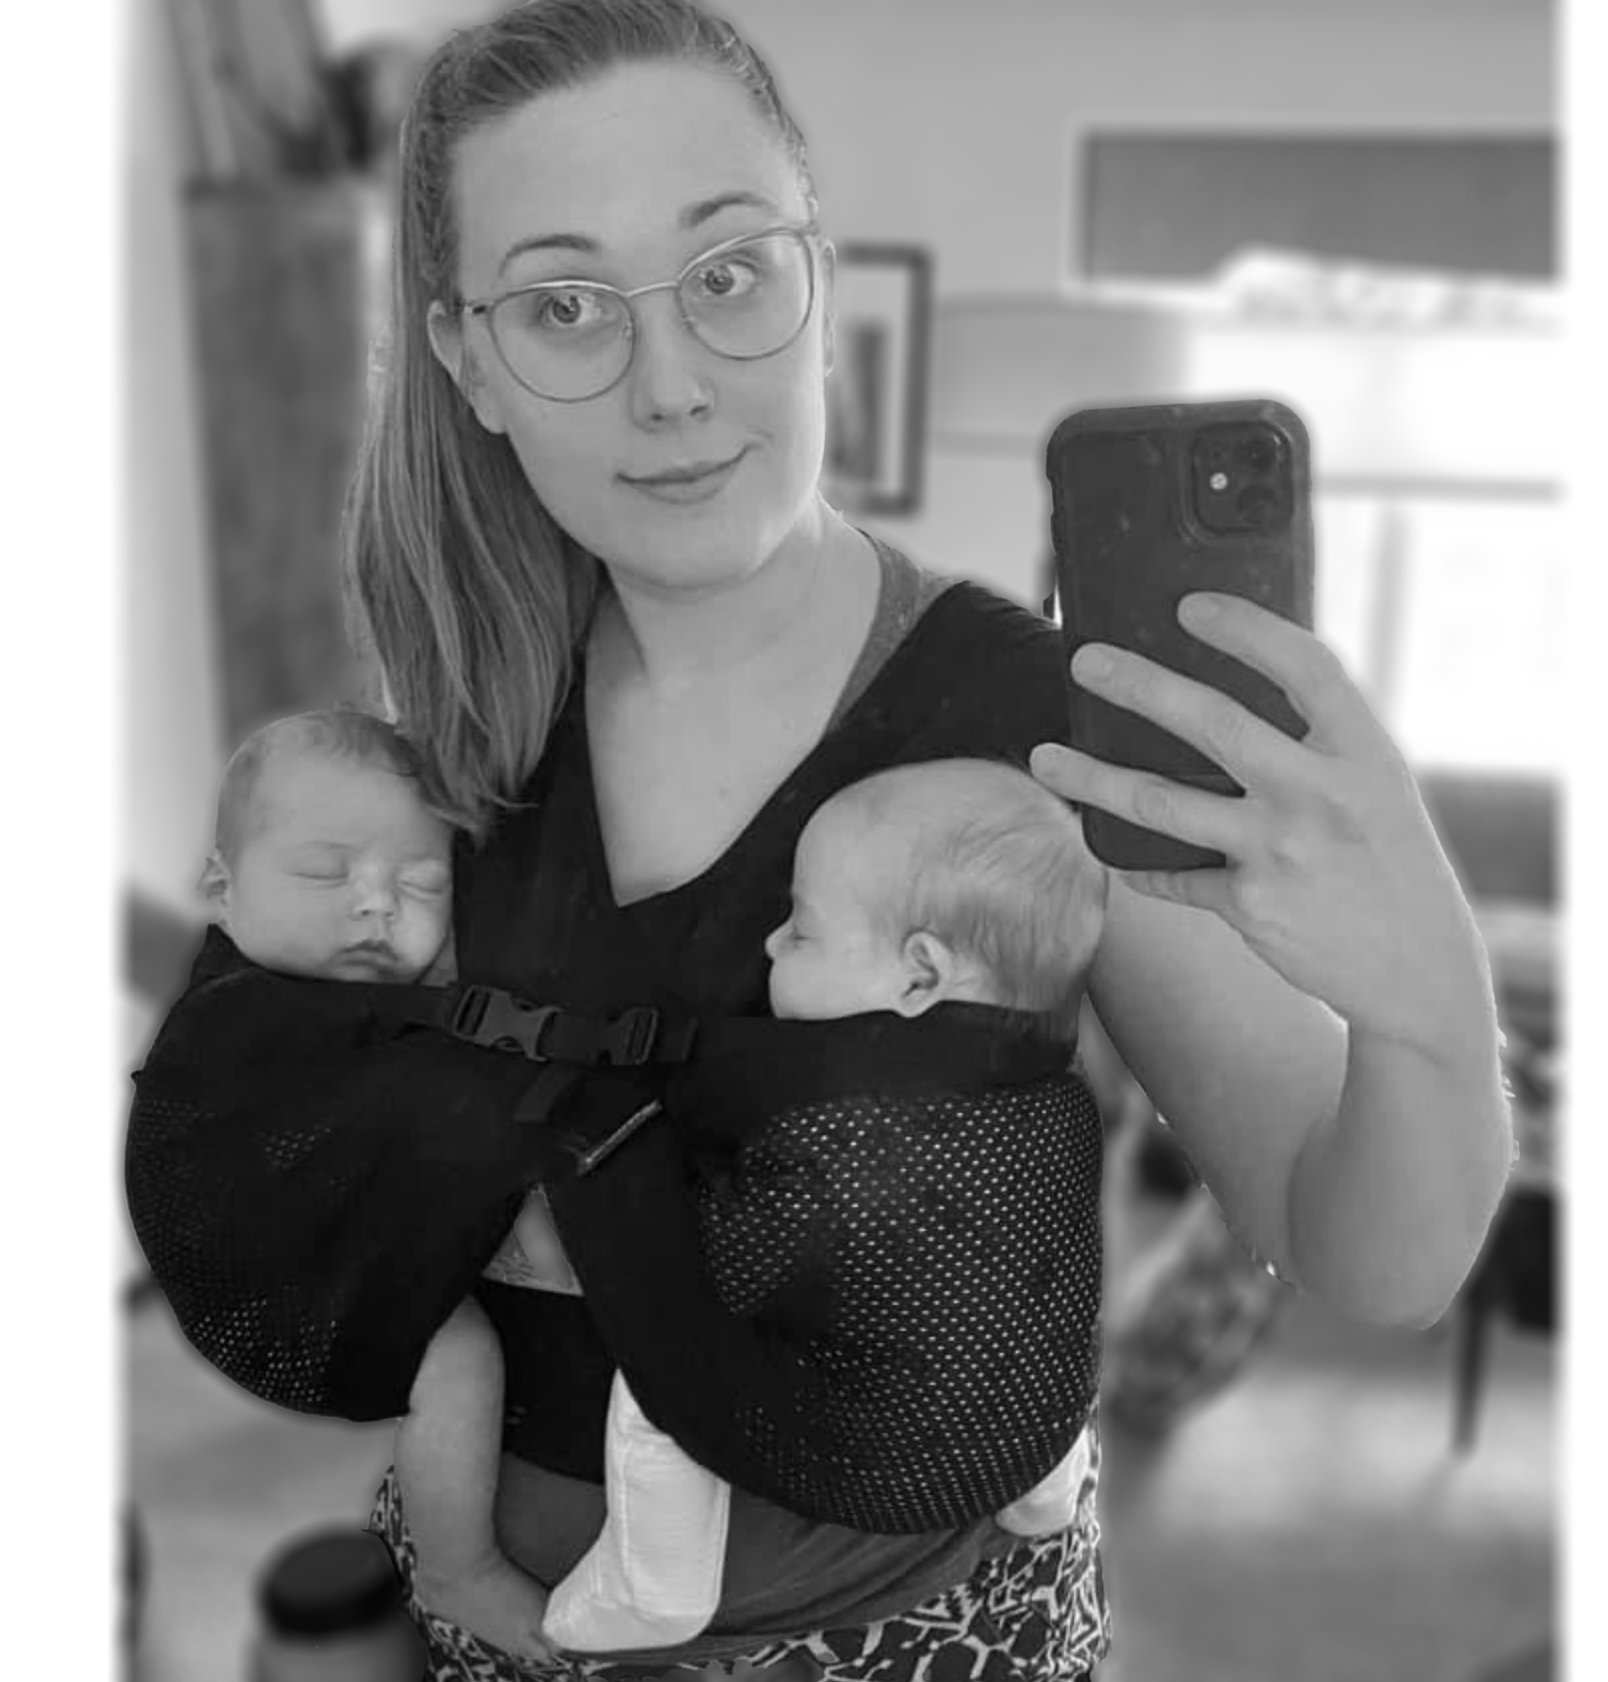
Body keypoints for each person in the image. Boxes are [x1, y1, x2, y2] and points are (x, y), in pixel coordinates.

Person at [129, 1, 1514, 1677]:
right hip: (505, 1630)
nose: (669, 388)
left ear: (817, 283)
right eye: (563, 307)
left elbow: (1363, 1253)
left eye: (725, 274)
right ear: (467, 360)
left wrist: (1426, 1009)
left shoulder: (1052, 727)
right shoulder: (449, 734)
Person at [188, 709, 1110, 1665]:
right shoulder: (1041, 1095)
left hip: (868, 1469)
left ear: (919, 977)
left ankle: (655, 1580)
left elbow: (697, 1273)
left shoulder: (843, 1145)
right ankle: (1041, 1481)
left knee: (665, 1353)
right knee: (1024, 1320)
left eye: (800, 929)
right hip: (1022, 1426)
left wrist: (615, 1195)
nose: (771, 946)